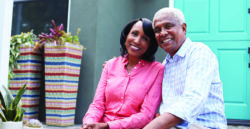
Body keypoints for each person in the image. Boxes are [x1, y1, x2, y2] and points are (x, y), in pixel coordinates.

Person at [144, 7, 227, 129]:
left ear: (183, 28)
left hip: (203, 126)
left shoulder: (199, 52)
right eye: (157, 30)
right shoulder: (166, 63)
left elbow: (192, 100)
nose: (162, 33)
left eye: (168, 26)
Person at [81, 18, 164, 129]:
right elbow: (97, 104)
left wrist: (108, 126)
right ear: (126, 36)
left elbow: (146, 115)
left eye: (145, 39)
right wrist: (89, 123)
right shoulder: (110, 65)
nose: (137, 41)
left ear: (150, 45)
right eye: (134, 34)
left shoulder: (157, 70)